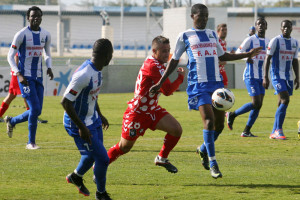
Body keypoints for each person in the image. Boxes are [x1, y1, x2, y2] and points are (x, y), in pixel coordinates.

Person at [149, 3, 261, 179]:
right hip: (198, 86)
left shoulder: (211, 34)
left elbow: (223, 56)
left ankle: (202, 149)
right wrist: (160, 82)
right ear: (193, 16)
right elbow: (174, 61)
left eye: (206, 17)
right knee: (208, 122)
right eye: (200, 16)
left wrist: (247, 54)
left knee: (219, 126)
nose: (203, 19)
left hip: (216, 85)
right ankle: (213, 163)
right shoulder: (185, 35)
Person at [107, 36, 184, 173]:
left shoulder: (156, 63)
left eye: (168, 50)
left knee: (176, 129)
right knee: (124, 147)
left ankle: (162, 158)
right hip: (137, 113)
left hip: (152, 110)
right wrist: (180, 78)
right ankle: (99, 166)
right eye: (164, 51)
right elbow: (167, 90)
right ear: (154, 51)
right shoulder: (153, 65)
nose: (167, 54)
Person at [62, 38, 113, 200]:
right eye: (111, 55)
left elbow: (92, 96)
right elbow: (66, 102)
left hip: (94, 119)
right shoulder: (84, 75)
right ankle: (101, 194)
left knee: (92, 156)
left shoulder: (97, 69)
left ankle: (76, 177)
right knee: (103, 159)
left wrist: (100, 114)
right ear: (107, 56)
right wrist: (82, 127)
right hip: (78, 123)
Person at [5, 6, 53, 149]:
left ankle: (12, 121)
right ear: (28, 18)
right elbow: (10, 56)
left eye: (38, 16)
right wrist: (18, 73)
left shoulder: (46, 34)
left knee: (37, 110)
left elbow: (48, 53)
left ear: (41, 17)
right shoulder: (21, 34)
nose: (36, 18)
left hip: (38, 76)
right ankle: (30, 142)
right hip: (25, 77)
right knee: (35, 108)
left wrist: (49, 67)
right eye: (33, 16)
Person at [226, 18, 269, 137]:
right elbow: (238, 52)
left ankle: (246, 130)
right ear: (256, 26)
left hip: (261, 77)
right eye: (258, 24)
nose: (261, 26)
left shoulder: (268, 41)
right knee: (256, 102)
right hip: (250, 75)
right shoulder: (250, 40)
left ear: (266, 27)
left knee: (259, 104)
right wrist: (247, 57)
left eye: (263, 24)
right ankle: (232, 114)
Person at [263, 19, 299, 140]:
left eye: (288, 27)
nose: (286, 29)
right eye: (283, 27)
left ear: (291, 28)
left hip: (288, 76)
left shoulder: (295, 43)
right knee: (285, 100)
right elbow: (267, 59)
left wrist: (298, 77)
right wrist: (265, 77)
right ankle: (278, 130)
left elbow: (295, 61)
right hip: (277, 75)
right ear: (280, 28)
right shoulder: (275, 41)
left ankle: (274, 131)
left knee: (281, 102)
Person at [0, 55, 47, 126]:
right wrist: (16, 72)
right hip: (19, 74)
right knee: (20, 94)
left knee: (15, 95)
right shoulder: (21, 44)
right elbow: (16, 56)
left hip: (18, 73)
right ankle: (34, 116)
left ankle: (33, 116)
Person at [217, 23, 229, 88]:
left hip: (222, 69)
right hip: (216, 70)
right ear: (218, 32)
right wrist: (220, 62)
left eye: (226, 30)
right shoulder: (216, 42)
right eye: (222, 30)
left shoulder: (224, 42)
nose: (225, 32)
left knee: (225, 85)